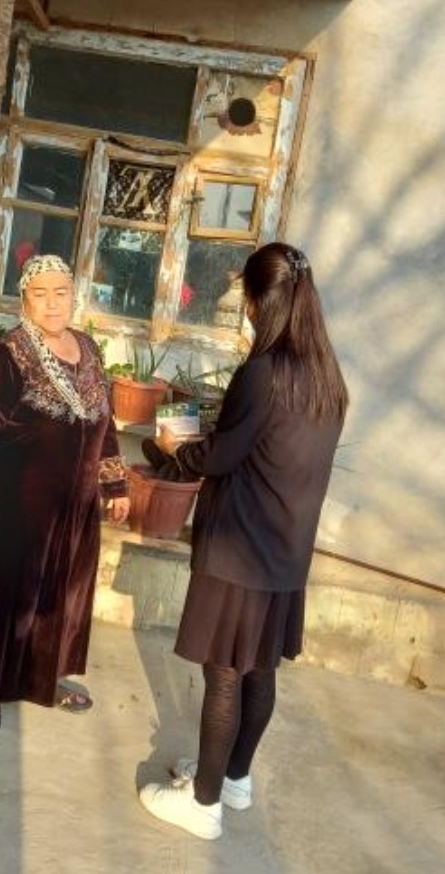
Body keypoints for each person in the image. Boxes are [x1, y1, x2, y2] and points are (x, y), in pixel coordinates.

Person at [138, 242, 349, 839]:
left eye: (248, 300)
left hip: (240, 546)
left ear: (261, 301)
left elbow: (224, 455)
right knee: (258, 671)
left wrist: (177, 449)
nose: (247, 312)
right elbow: (269, 448)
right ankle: (232, 779)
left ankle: (202, 805)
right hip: (285, 552)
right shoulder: (326, 379)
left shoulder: (265, 372)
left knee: (225, 674)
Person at [0, 254, 130, 732]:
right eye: (40, 294)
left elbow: (104, 422)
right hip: (16, 507)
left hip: (76, 508)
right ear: (24, 300)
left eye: (60, 293)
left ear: (74, 296)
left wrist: (114, 483)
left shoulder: (88, 348)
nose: (52, 303)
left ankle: (41, 681)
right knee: (3, 600)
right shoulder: (8, 355)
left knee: (59, 600)